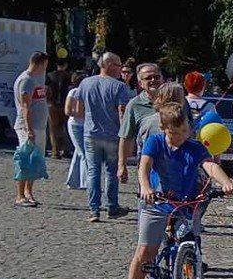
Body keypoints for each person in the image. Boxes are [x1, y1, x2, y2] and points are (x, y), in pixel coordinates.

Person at [120, 102, 233, 279]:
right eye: (174, 132)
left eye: (184, 131)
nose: (180, 136)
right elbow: (144, 166)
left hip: (186, 204)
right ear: (164, 129)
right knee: (146, 250)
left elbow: (209, 166)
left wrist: (225, 182)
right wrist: (145, 187)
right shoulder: (155, 142)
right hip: (158, 201)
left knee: (192, 251)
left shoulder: (195, 147)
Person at [74, 53, 132, 221]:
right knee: (111, 172)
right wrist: (126, 135)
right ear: (108, 64)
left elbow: (78, 110)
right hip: (112, 134)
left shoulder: (85, 83)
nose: (121, 69)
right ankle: (112, 206)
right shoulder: (119, 87)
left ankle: (94, 210)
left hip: (90, 133)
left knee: (93, 171)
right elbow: (122, 112)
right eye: (119, 65)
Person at [11, 51, 51, 207]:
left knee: (35, 160)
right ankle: (20, 195)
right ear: (40, 63)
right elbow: (25, 107)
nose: (45, 68)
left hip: (39, 126)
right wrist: (29, 130)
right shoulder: (26, 80)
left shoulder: (35, 79)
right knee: (25, 159)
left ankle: (29, 192)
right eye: (45, 65)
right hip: (29, 127)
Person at [118, 62, 165, 165]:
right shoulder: (134, 105)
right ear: (140, 84)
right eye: (148, 78)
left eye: (156, 77)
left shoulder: (177, 100)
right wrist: (121, 165)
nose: (153, 80)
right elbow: (125, 136)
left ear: (162, 79)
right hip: (149, 162)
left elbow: (190, 129)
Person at [64, 87, 89, 191]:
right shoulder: (74, 92)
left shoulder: (89, 91)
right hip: (75, 124)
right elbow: (67, 110)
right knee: (84, 153)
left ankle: (73, 181)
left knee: (78, 153)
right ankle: (87, 182)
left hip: (86, 125)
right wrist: (81, 113)